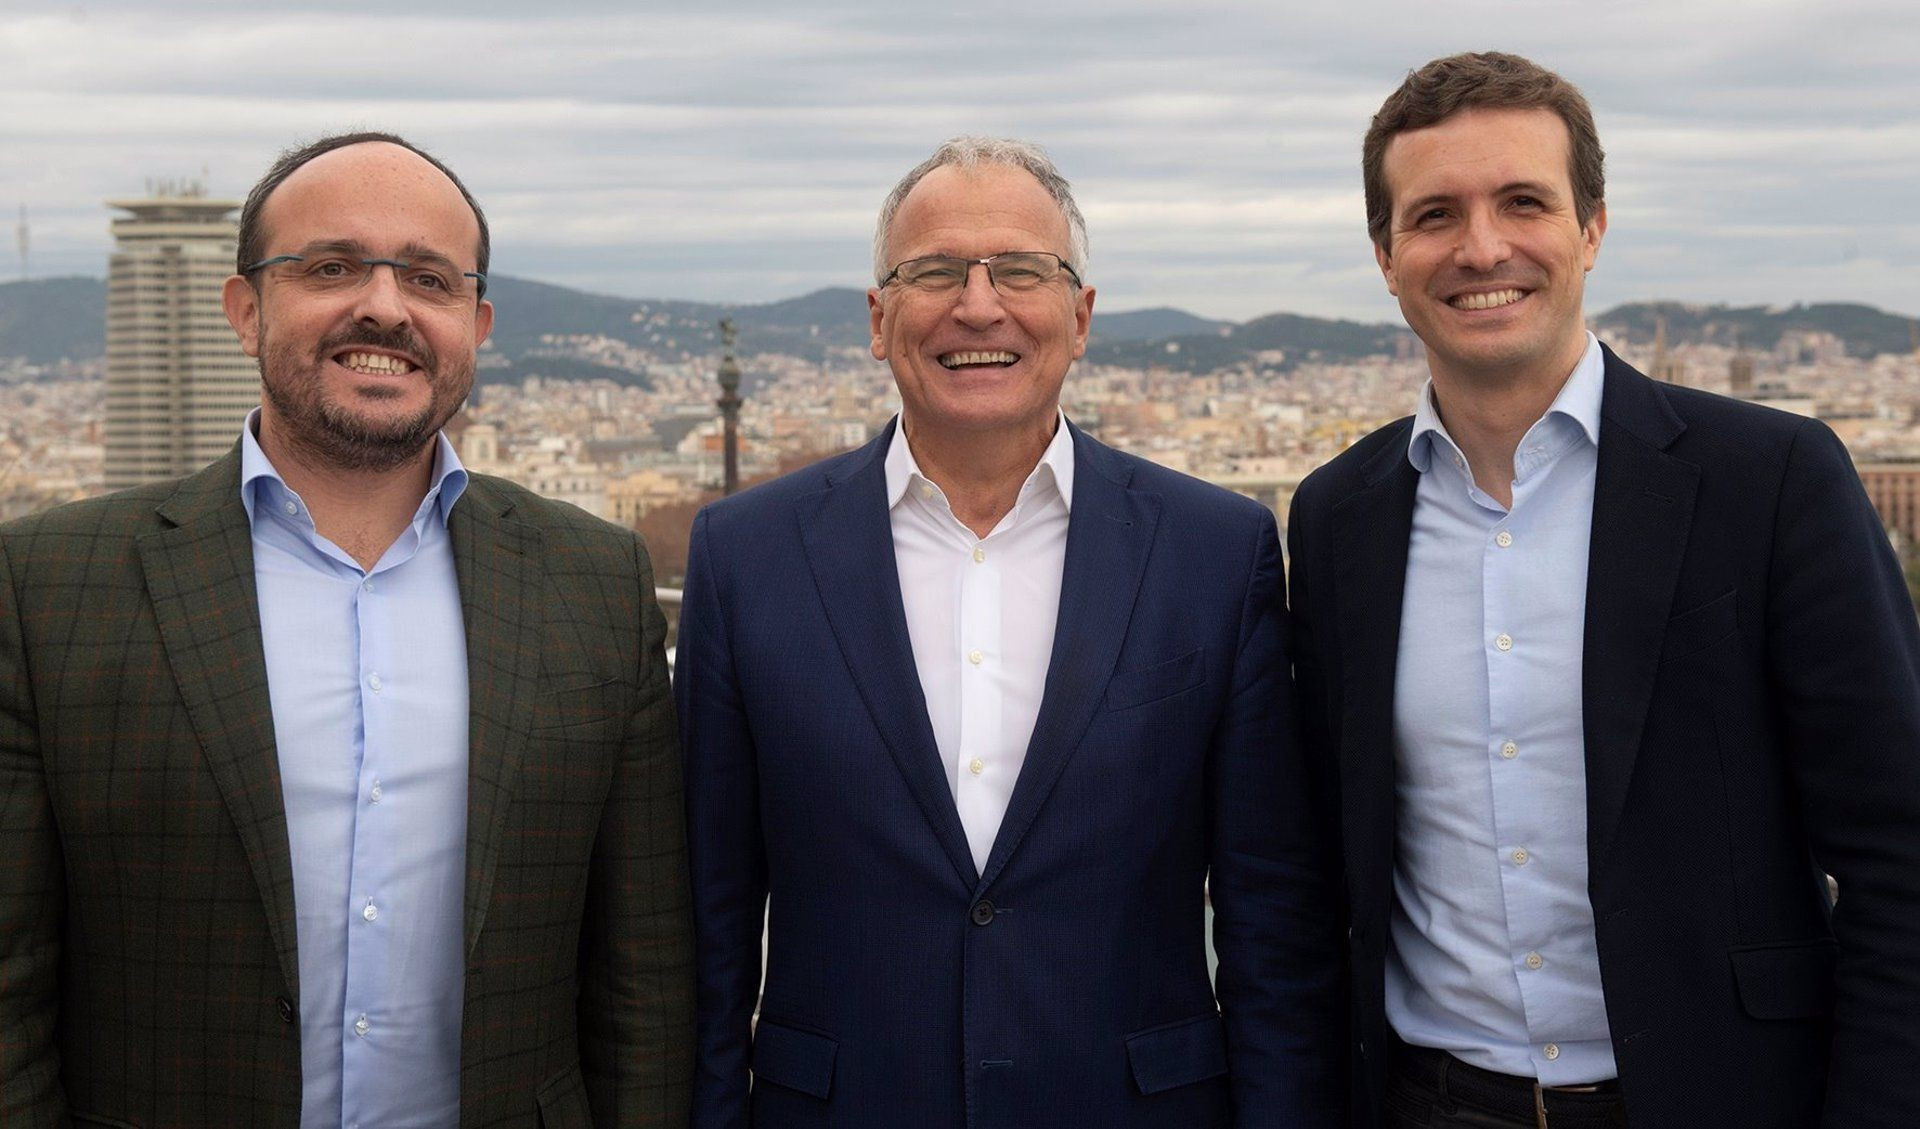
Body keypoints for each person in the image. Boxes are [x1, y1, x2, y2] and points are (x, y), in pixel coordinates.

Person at [0, 132, 693, 1128]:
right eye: (331, 267)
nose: (385, 305)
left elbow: (645, 983)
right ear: (245, 308)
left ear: (477, 322)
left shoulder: (595, 583)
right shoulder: (50, 585)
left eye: (429, 278)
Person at [1287, 51, 1920, 1129]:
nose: (1482, 246)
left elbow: (1901, 858)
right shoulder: (1340, 515)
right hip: (1427, 1104)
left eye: (1522, 201)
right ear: (1387, 256)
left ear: (1591, 228)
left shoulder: (1767, 479)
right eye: (1435, 213)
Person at [675, 136, 1343, 1128]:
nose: (977, 305)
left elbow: (1269, 918)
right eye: (934, 272)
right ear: (877, 318)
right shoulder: (744, 558)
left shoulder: (1214, 550)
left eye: (1021, 271)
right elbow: (710, 922)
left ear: (1079, 319)